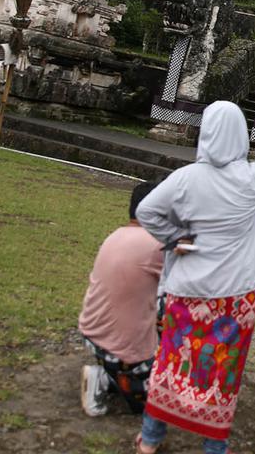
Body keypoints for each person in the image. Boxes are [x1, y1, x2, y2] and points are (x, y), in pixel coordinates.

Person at [132, 84, 255, 454]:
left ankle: (151, 438)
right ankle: (213, 448)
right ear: (241, 135)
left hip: (186, 291)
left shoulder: (185, 178)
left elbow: (146, 212)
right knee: (223, 373)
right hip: (234, 300)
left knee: (171, 363)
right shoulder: (252, 179)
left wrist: (175, 237)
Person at [77, 179, 164, 417]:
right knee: (158, 404)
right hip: (121, 348)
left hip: (92, 332)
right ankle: (107, 379)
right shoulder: (156, 246)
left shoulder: (117, 235)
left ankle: (112, 372)